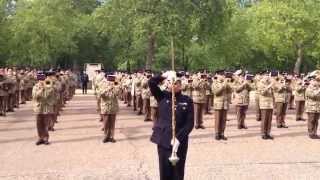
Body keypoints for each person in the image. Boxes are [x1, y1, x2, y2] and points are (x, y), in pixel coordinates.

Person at [149, 71, 194, 180]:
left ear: (180, 85)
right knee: (165, 172)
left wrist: (178, 139)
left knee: (178, 173)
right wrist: (164, 76)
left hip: (180, 142)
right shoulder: (161, 96)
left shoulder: (187, 100)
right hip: (164, 139)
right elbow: (151, 82)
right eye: (171, 82)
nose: (174, 85)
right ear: (167, 84)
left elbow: (190, 123)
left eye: (176, 83)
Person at [99, 74, 119, 143]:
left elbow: (117, 94)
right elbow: (101, 94)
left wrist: (115, 86)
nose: (111, 82)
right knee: (106, 122)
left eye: (112, 80)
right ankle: (106, 136)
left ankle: (111, 136)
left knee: (112, 123)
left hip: (113, 106)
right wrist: (108, 88)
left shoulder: (116, 86)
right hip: (105, 106)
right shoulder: (102, 84)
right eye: (110, 80)